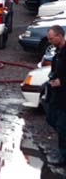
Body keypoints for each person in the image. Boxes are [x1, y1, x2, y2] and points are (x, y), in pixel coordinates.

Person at [46, 25, 66, 165]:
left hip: (64, 96)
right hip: (56, 95)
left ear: (59, 36)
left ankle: (63, 157)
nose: (49, 41)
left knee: (62, 126)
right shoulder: (58, 51)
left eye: (51, 39)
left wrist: (62, 81)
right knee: (51, 118)